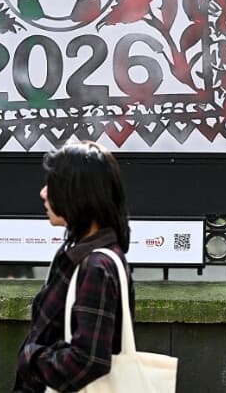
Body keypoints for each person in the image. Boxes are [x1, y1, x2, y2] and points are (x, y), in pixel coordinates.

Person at [13, 140, 134, 393]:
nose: (43, 193)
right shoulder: (78, 255)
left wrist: (31, 359)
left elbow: (88, 360)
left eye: (53, 185)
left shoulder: (96, 266)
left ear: (77, 194)